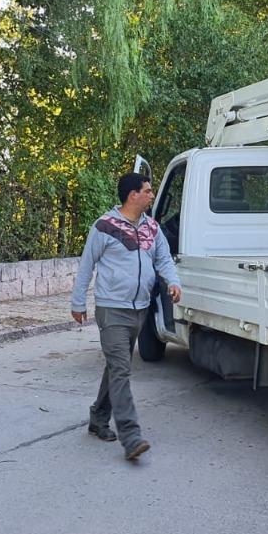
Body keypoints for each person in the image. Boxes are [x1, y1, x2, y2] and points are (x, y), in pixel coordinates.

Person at [72, 172, 182, 461]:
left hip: (140, 309)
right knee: (121, 368)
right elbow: (87, 264)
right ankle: (131, 437)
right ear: (133, 195)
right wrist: (77, 301)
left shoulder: (152, 229)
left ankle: (98, 417)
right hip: (111, 308)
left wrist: (174, 281)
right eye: (147, 191)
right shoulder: (105, 227)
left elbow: (164, 260)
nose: (151, 195)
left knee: (115, 366)